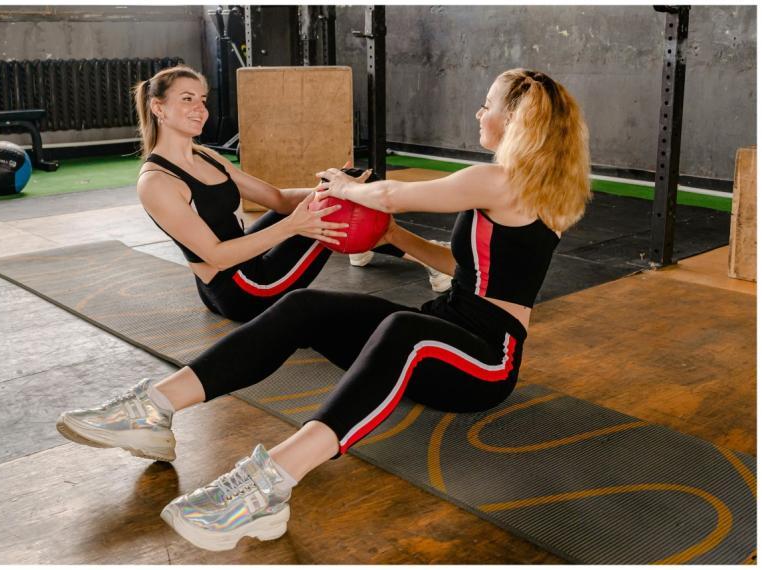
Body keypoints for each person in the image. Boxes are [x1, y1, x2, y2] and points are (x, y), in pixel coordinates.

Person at [57, 68, 591, 552]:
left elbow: (389, 195)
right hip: (450, 323)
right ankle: (152, 407)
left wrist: (341, 187)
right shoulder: (528, 187)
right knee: (308, 306)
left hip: (487, 359)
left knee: (405, 329)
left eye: (489, 104)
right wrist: (396, 238)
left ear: (516, 119)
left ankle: (268, 484)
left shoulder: (498, 179)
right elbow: (465, 265)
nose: (480, 112)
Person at [133, 64, 394, 322]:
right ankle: (402, 251)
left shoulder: (205, 156)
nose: (200, 109)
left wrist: (332, 187)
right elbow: (217, 256)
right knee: (336, 209)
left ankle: (361, 240)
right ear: (158, 108)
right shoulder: (157, 182)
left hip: (242, 269)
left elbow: (278, 200)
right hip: (245, 292)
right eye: (187, 99)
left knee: (340, 191)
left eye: (202, 99)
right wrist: (296, 225)